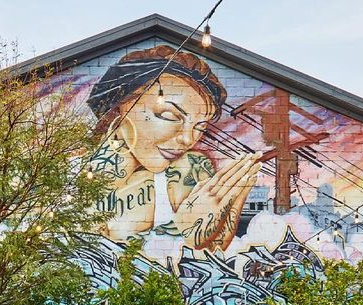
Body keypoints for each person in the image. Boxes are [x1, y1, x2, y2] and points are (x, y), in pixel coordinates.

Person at [86, 45, 261, 262]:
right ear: (123, 103)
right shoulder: (61, 180)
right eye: (169, 115)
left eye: (200, 127)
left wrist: (235, 200)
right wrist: (180, 228)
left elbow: (210, 256)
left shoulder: (190, 170)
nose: (189, 139)